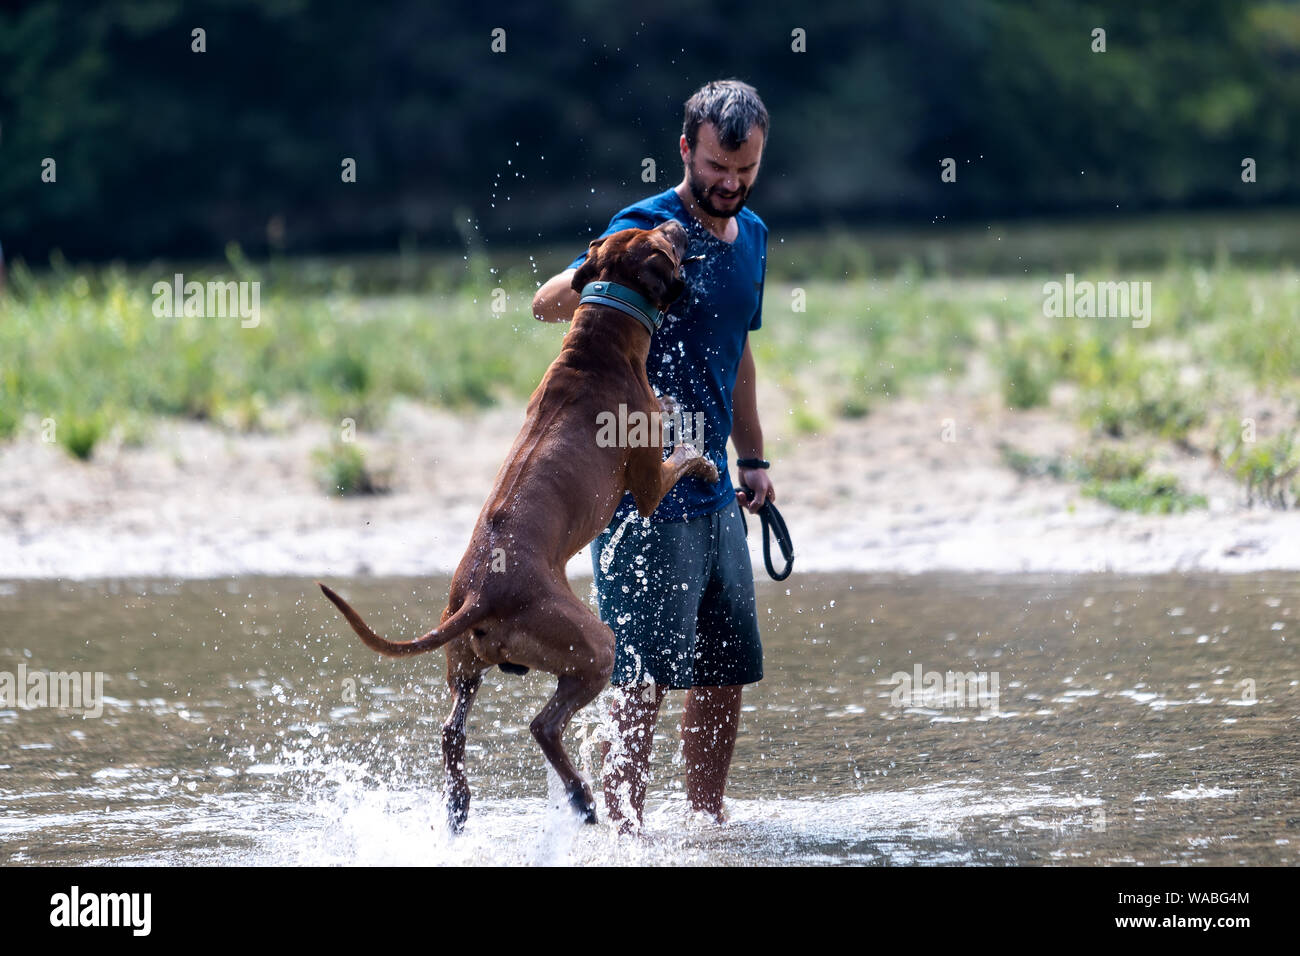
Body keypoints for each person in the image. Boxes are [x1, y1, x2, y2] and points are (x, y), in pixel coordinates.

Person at [531, 79, 774, 829]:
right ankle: (621, 833)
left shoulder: (755, 237)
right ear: (685, 151)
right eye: (715, 168)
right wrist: (597, 278)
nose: (729, 184)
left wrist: (754, 460)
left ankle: (707, 820)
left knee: (722, 670)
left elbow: (737, 358)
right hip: (638, 474)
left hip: (713, 486)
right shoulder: (647, 226)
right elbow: (546, 301)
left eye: (744, 170)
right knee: (638, 676)